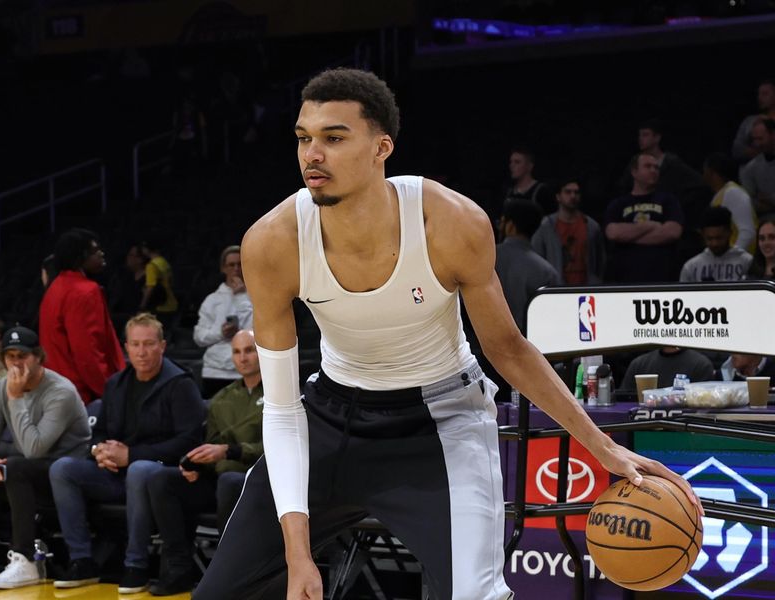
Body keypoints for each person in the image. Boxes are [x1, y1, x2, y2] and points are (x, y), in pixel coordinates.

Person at [192, 67, 701, 600]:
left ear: (381, 147)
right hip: (328, 416)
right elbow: (280, 408)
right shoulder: (272, 242)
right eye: (304, 138)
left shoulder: (450, 221)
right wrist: (298, 556)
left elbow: (508, 349)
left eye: (334, 138)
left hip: (439, 420)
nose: (312, 154)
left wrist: (601, 447)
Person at [49, 313, 205, 594]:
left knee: (139, 469)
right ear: (126, 348)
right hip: (116, 473)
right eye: (135, 345)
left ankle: (136, 564)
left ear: (162, 346)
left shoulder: (181, 384)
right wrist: (99, 451)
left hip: (162, 473)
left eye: (148, 344)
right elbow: (98, 432)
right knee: (62, 469)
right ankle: (81, 560)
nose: (142, 352)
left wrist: (132, 455)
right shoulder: (116, 384)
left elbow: (189, 441)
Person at [146, 329, 264, 596]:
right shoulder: (221, 399)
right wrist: (194, 464)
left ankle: (227, 573)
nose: (243, 358)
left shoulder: (282, 394)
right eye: (236, 352)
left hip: (258, 482)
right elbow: (210, 445)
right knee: (161, 479)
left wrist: (231, 451)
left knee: (230, 481)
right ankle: (178, 569)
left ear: (263, 352)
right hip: (221, 481)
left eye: (249, 350)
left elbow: (279, 449)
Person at [0, 326, 90, 589]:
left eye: (22, 356)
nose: (16, 363)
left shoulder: (61, 391)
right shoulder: (0, 388)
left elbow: (34, 449)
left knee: (17, 466)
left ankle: (25, 560)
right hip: (29, 473)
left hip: (65, 477)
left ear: (38, 357)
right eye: (10, 356)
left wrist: (16, 399)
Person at [39, 228, 125, 404]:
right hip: (80, 394)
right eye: (95, 251)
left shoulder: (55, 288)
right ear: (80, 257)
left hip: (53, 390)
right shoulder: (85, 291)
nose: (101, 254)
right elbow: (87, 352)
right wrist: (109, 391)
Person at [604, 152, 685, 283]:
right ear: (634, 172)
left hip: (661, 276)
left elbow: (672, 232)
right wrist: (650, 226)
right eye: (648, 166)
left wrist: (628, 237)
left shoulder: (668, 200)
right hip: (625, 279)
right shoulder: (619, 204)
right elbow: (613, 233)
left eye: (656, 167)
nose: (653, 170)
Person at [193, 246, 254, 397]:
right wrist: (221, 333)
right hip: (214, 371)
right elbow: (199, 337)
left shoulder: (256, 296)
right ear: (223, 268)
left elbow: (256, 331)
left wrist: (241, 296)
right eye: (231, 265)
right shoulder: (212, 300)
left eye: (240, 264)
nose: (236, 269)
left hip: (245, 371)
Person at [495, 200, 561, 333]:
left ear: (510, 226)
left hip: (482, 346)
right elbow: (554, 319)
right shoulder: (547, 271)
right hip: (530, 346)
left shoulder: (485, 257)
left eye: (502, 222)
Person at [531, 178, 605, 285]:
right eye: (568, 192)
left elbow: (600, 259)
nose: (573, 196)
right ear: (558, 196)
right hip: (556, 288)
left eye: (576, 192)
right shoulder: (546, 226)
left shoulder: (591, 226)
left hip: (587, 287)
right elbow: (537, 257)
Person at [679, 206, 752, 282]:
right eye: (709, 239)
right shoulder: (691, 267)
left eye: (719, 238)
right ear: (703, 235)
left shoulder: (747, 262)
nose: (715, 243)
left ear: (730, 233)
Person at [703, 152, 757, 253]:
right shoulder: (720, 195)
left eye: (704, 169)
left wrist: (734, 258)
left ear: (712, 172)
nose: (703, 173)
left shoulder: (733, 193)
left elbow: (747, 231)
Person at [501, 145, 555, 223]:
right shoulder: (509, 193)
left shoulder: (542, 191)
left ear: (529, 166)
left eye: (517, 162)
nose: (512, 165)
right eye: (511, 162)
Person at [620, 346, 715, 391]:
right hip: (641, 426)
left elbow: (703, 405)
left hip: (685, 428)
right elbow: (623, 402)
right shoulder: (639, 364)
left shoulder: (701, 364)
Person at [732, 78, 775, 163]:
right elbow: (736, 150)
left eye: (765, 94)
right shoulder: (750, 121)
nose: (759, 98)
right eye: (759, 94)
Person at [140, 238, 178, 329]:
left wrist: (142, 305)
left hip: (160, 306)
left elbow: (150, 287)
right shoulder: (164, 262)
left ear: (146, 249)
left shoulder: (151, 266)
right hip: (172, 303)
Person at [740, 118, 775, 217]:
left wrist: (767, 199)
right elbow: (749, 203)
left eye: (760, 139)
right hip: (765, 225)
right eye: (754, 139)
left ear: (773, 134)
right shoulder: (750, 169)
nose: (757, 144)